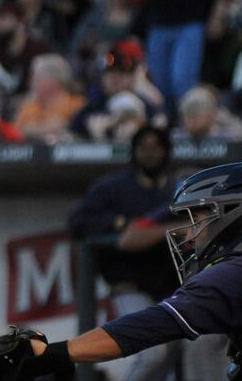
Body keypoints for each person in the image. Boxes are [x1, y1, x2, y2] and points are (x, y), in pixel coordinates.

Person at [0, 161, 242, 381]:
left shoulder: (231, 271)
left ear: (232, 212)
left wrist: (53, 355)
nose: (192, 233)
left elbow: (150, 326)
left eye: (201, 217)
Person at [68, 125, 180, 380]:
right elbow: (78, 222)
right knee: (152, 353)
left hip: (171, 287)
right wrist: (119, 223)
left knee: (173, 360)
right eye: (143, 148)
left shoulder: (176, 188)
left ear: (166, 151)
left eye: (156, 148)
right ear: (133, 151)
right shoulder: (113, 187)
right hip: (129, 284)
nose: (150, 154)